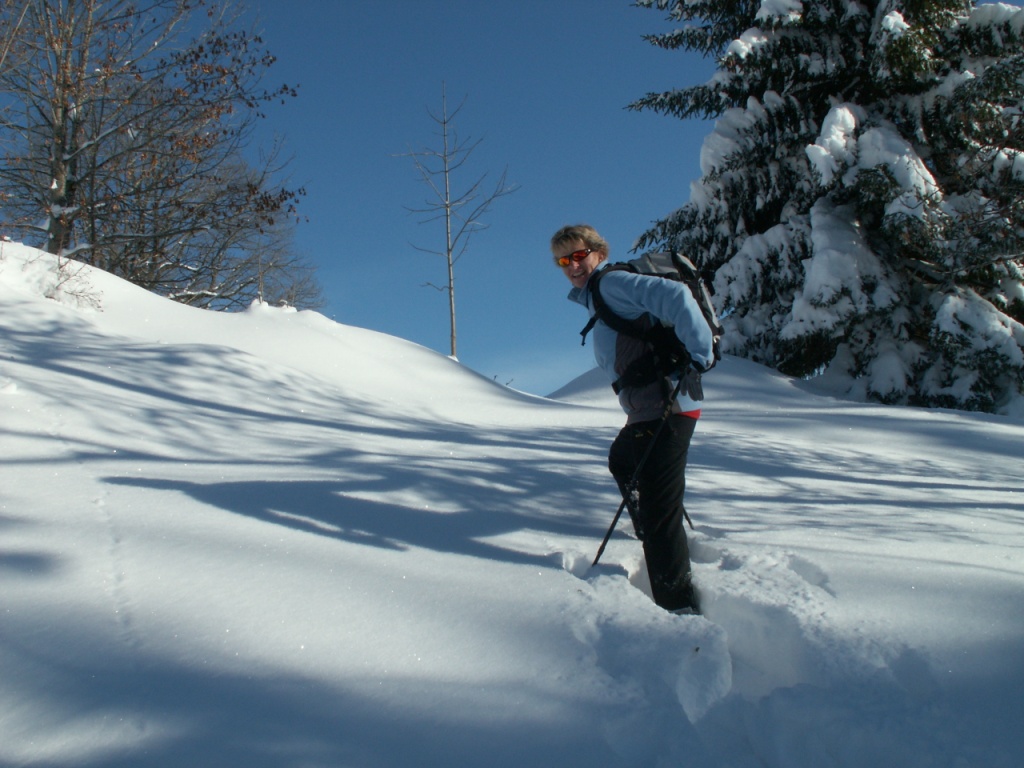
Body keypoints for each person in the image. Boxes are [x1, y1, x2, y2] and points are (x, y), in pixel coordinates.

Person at [551, 224, 714, 614]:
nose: (573, 265)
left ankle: (679, 608)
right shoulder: (597, 295)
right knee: (623, 459)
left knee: (661, 511)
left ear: (598, 252)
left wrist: (699, 355)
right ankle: (652, 531)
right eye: (563, 260)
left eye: (578, 254)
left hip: (667, 406)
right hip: (647, 411)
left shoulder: (610, 284)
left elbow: (675, 295)